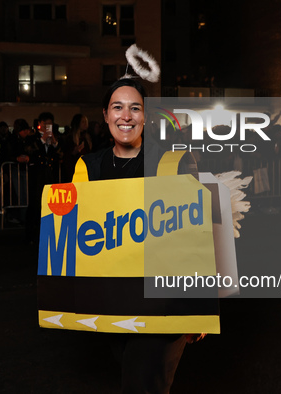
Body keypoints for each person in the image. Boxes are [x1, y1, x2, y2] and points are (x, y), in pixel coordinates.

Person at [77, 78, 203, 393]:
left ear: (146, 116)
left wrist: (200, 305)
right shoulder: (88, 166)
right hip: (112, 303)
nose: (126, 116)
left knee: (142, 384)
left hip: (164, 303)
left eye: (135, 108)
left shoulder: (173, 161)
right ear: (105, 115)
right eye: (117, 107)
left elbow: (196, 236)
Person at [24, 112, 60, 243]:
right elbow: (30, 151)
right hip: (36, 174)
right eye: (45, 123)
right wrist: (43, 140)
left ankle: (47, 232)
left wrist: (55, 144)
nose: (47, 126)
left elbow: (58, 154)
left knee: (49, 202)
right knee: (34, 203)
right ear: (39, 124)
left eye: (50, 124)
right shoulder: (32, 138)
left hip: (49, 173)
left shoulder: (54, 137)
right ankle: (31, 234)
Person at [61, 113, 92, 182]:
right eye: (83, 122)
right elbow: (66, 155)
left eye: (86, 122)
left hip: (84, 166)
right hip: (73, 167)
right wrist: (74, 152)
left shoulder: (87, 137)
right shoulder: (70, 137)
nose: (85, 124)